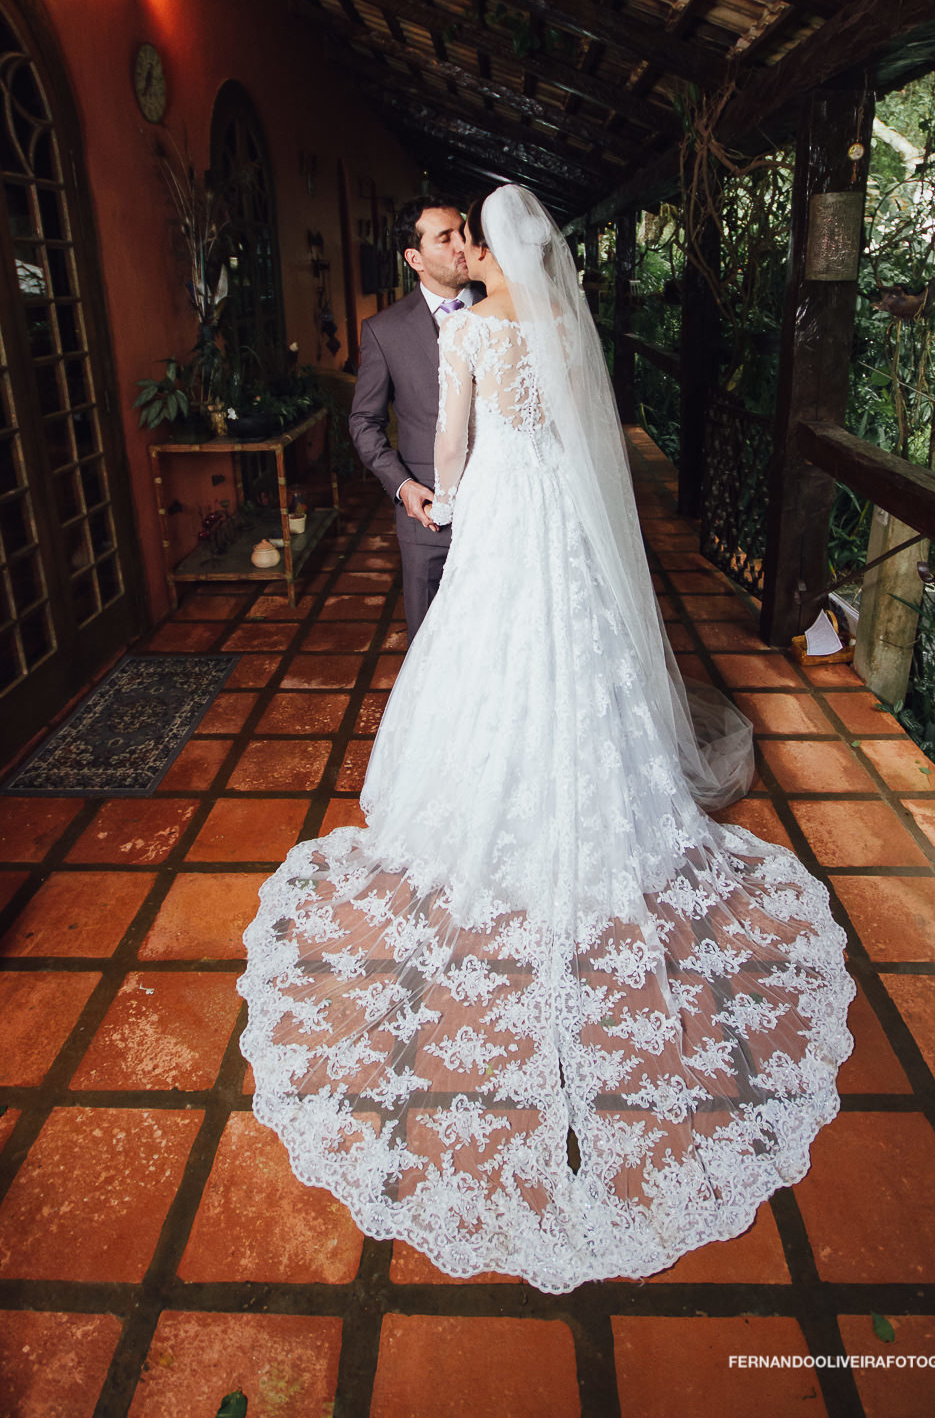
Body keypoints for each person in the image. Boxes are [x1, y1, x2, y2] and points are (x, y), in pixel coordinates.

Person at [240, 185, 854, 1295]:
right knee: (580, 652)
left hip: (499, 515)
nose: (466, 246)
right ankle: (609, 806)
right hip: (560, 514)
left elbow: (454, 443)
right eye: (452, 235)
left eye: (472, 233)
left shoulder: (474, 328)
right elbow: (585, 435)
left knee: (487, 658)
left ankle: (482, 807)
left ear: (490, 246)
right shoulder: (564, 321)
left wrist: (454, 511)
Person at [348, 196, 485, 637]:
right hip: (429, 514)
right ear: (415, 258)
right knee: (430, 640)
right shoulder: (384, 330)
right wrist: (403, 486)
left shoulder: (505, 308)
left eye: (463, 232)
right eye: (445, 238)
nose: (461, 245)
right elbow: (363, 422)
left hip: (503, 502)